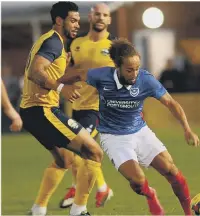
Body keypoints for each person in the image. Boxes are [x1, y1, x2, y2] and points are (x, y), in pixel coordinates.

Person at [60, 38, 200, 215]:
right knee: (138, 182)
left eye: (137, 68)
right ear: (117, 66)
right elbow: (78, 74)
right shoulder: (101, 76)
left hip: (140, 132)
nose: (134, 74)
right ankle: (150, 194)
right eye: (129, 70)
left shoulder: (145, 80)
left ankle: (189, 213)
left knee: (171, 171)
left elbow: (172, 104)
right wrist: (58, 85)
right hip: (113, 138)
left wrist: (187, 129)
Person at [19, 2, 103, 216]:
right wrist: (62, 87)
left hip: (31, 112)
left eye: (78, 20)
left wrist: (74, 76)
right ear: (59, 20)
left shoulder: (52, 42)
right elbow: (35, 73)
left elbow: (46, 73)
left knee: (64, 160)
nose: (77, 25)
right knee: (94, 152)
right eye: (72, 20)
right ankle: (79, 210)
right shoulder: (54, 43)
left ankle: (37, 210)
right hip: (42, 110)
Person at [59, 3, 114, 210]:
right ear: (90, 17)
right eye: (97, 14)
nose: (100, 18)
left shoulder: (115, 46)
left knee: (81, 147)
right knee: (76, 150)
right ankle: (102, 188)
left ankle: (79, 194)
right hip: (74, 105)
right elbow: (66, 70)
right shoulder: (74, 42)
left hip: (99, 108)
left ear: (109, 20)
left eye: (105, 15)